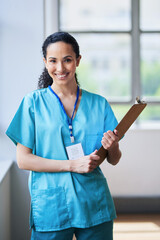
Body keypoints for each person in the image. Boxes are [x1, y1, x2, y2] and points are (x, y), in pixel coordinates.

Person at [6, 32, 122, 240]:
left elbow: (113, 159)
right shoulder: (32, 103)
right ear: (45, 62)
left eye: (67, 60)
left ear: (78, 60)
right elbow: (23, 160)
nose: (60, 68)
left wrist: (112, 146)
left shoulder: (99, 104)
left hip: (93, 203)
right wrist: (72, 165)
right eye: (53, 61)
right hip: (52, 207)